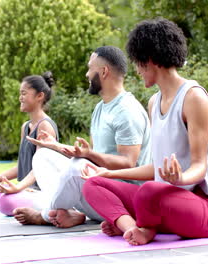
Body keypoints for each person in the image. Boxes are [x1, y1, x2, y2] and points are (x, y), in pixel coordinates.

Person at [81, 18, 208, 246]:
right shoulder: (154, 102)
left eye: (138, 63)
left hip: (204, 210)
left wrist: (179, 179)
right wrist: (106, 173)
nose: (137, 71)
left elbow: (200, 167)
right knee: (94, 185)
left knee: (149, 191)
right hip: (164, 201)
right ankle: (131, 228)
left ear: (149, 60)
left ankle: (145, 227)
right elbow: (156, 167)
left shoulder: (194, 97)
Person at [14, 46, 152, 228]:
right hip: (96, 185)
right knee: (43, 156)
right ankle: (70, 213)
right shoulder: (100, 108)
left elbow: (128, 162)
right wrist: (57, 146)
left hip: (120, 200)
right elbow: (94, 156)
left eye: (90, 68)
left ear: (104, 72)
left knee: (78, 166)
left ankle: (45, 215)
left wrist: (87, 155)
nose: (87, 74)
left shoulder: (127, 110)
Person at [0, 72, 59, 216]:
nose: (20, 98)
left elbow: (40, 167)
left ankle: (21, 200)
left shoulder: (45, 126)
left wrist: (18, 187)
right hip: (23, 189)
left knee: (6, 203)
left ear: (39, 96)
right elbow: (20, 166)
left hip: (39, 191)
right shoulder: (25, 126)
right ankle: (16, 197)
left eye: (24, 93)